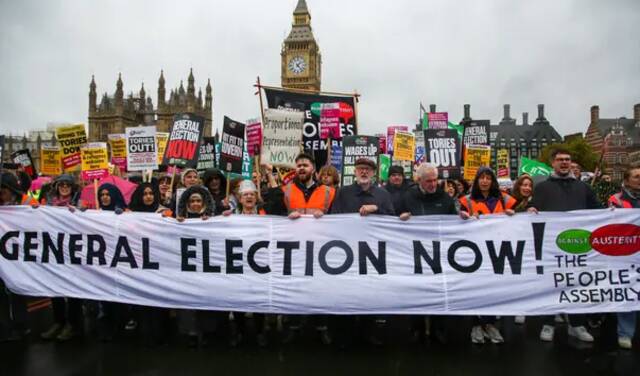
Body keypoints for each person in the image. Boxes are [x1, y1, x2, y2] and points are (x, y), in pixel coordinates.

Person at [528, 148, 602, 343]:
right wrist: (532, 209)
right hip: (551, 246)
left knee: (576, 285)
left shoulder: (582, 187)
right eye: (560, 159)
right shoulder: (543, 188)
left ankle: (576, 324)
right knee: (551, 284)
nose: (564, 163)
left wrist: (612, 212)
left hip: (578, 245)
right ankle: (548, 322)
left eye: (567, 160)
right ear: (553, 163)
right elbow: (533, 208)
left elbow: (598, 210)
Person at [330, 158, 394, 346]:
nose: (364, 172)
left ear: (373, 173)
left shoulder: (383, 195)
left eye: (367, 169)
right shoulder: (344, 193)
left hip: (372, 253)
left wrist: (377, 209)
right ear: (355, 172)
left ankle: (368, 332)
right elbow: (333, 218)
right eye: (360, 169)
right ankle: (346, 334)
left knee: (369, 293)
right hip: (348, 252)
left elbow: (392, 219)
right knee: (346, 293)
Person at [277, 153, 336, 345]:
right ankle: (294, 326)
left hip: (321, 249)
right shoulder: (285, 190)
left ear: (313, 169)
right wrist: (287, 216)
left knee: (320, 289)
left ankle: (322, 327)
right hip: (295, 248)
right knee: (295, 287)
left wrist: (326, 217)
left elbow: (340, 217)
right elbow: (274, 215)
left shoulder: (329, 191)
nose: (301, 168)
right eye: (299, 165)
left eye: (306, 165)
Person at [398, 164, 457, 344]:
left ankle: (438, 328)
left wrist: (461, 218)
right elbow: (394, 218)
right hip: (414, 253)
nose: (433, 184)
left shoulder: (445, 198)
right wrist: (401, 217)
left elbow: (454, 223)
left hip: (438, 254)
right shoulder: (407, 197)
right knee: (416, 291)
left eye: (435, 180)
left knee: (439, 291)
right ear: (419, 180)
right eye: (428, 181)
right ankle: (416, 328)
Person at [459, 167, 516, 344]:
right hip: (475, 251)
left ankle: (490, 324)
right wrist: (462, 217)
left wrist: (515, 215)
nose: (484, 181)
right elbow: (459, 221)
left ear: (493, 181)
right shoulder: (467, 200)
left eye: (488, 178)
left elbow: (520, 219)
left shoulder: (505, 199)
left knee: (494, 288)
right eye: (481, 178)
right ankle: (476, 324)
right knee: (476, 288)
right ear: (476, 181)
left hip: (498, 250)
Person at [39, 174, 83, 342]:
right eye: (61, 185)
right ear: (56, 187)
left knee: (73, 290)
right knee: (55, 288)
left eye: (68, 185)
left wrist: (79, 212)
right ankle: (59, 322)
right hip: (54, 250)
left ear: (72, 187)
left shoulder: (79, 203)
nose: (64, 187)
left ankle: (74, 325)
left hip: (73, 251)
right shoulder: (48, 203)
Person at [607, 166, 640, 349]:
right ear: (627, 181)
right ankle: (625, 333)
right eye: (636, 177)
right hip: (626, 254)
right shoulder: (616, 200)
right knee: (628, 291)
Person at [0, 172, 31, 341]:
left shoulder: (26, 202)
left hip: (18, 255)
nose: (1, 193)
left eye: (3, 189)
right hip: (2, 255)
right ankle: (4, 327)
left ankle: (21, 325)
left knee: (16, 290)